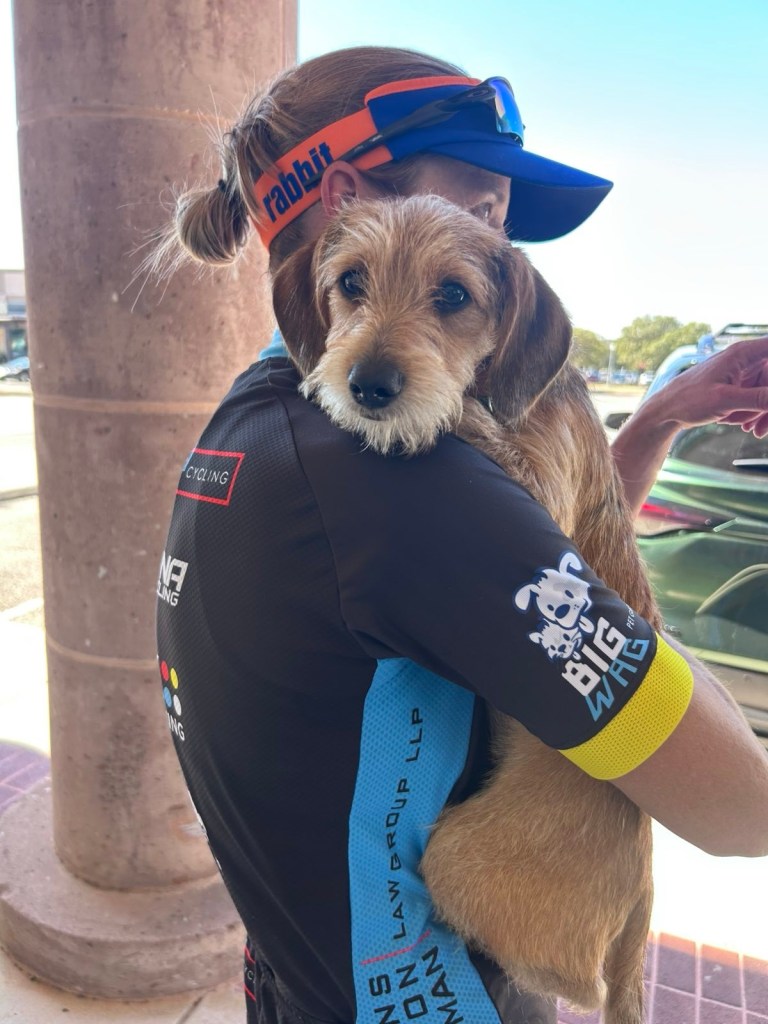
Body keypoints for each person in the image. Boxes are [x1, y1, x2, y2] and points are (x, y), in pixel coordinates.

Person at [154, 46, 768, 1024]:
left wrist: (656, 418)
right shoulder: (405, 476)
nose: (501, 234)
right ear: (347, 200)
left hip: (293, 971)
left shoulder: (259, 415)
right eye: (481, 207)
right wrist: (664, 656)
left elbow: (545, 548)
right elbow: (740, 808)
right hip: (437, 994)